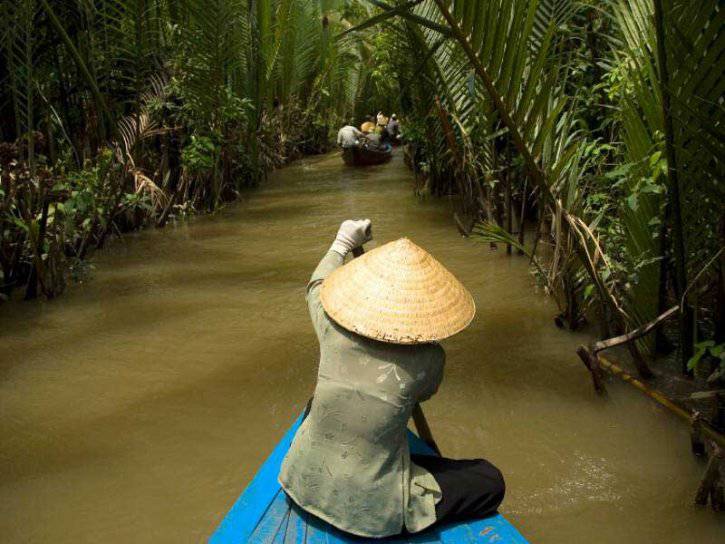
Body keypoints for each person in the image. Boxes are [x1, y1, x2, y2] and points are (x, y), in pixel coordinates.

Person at [279, 220, 505, 538]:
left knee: (316, 403)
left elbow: (316, 285)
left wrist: (343, 242)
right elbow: (424, 394)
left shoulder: (332, 328)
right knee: (489, 479)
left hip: (298, 480)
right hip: (368, 512)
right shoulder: (429, 359)